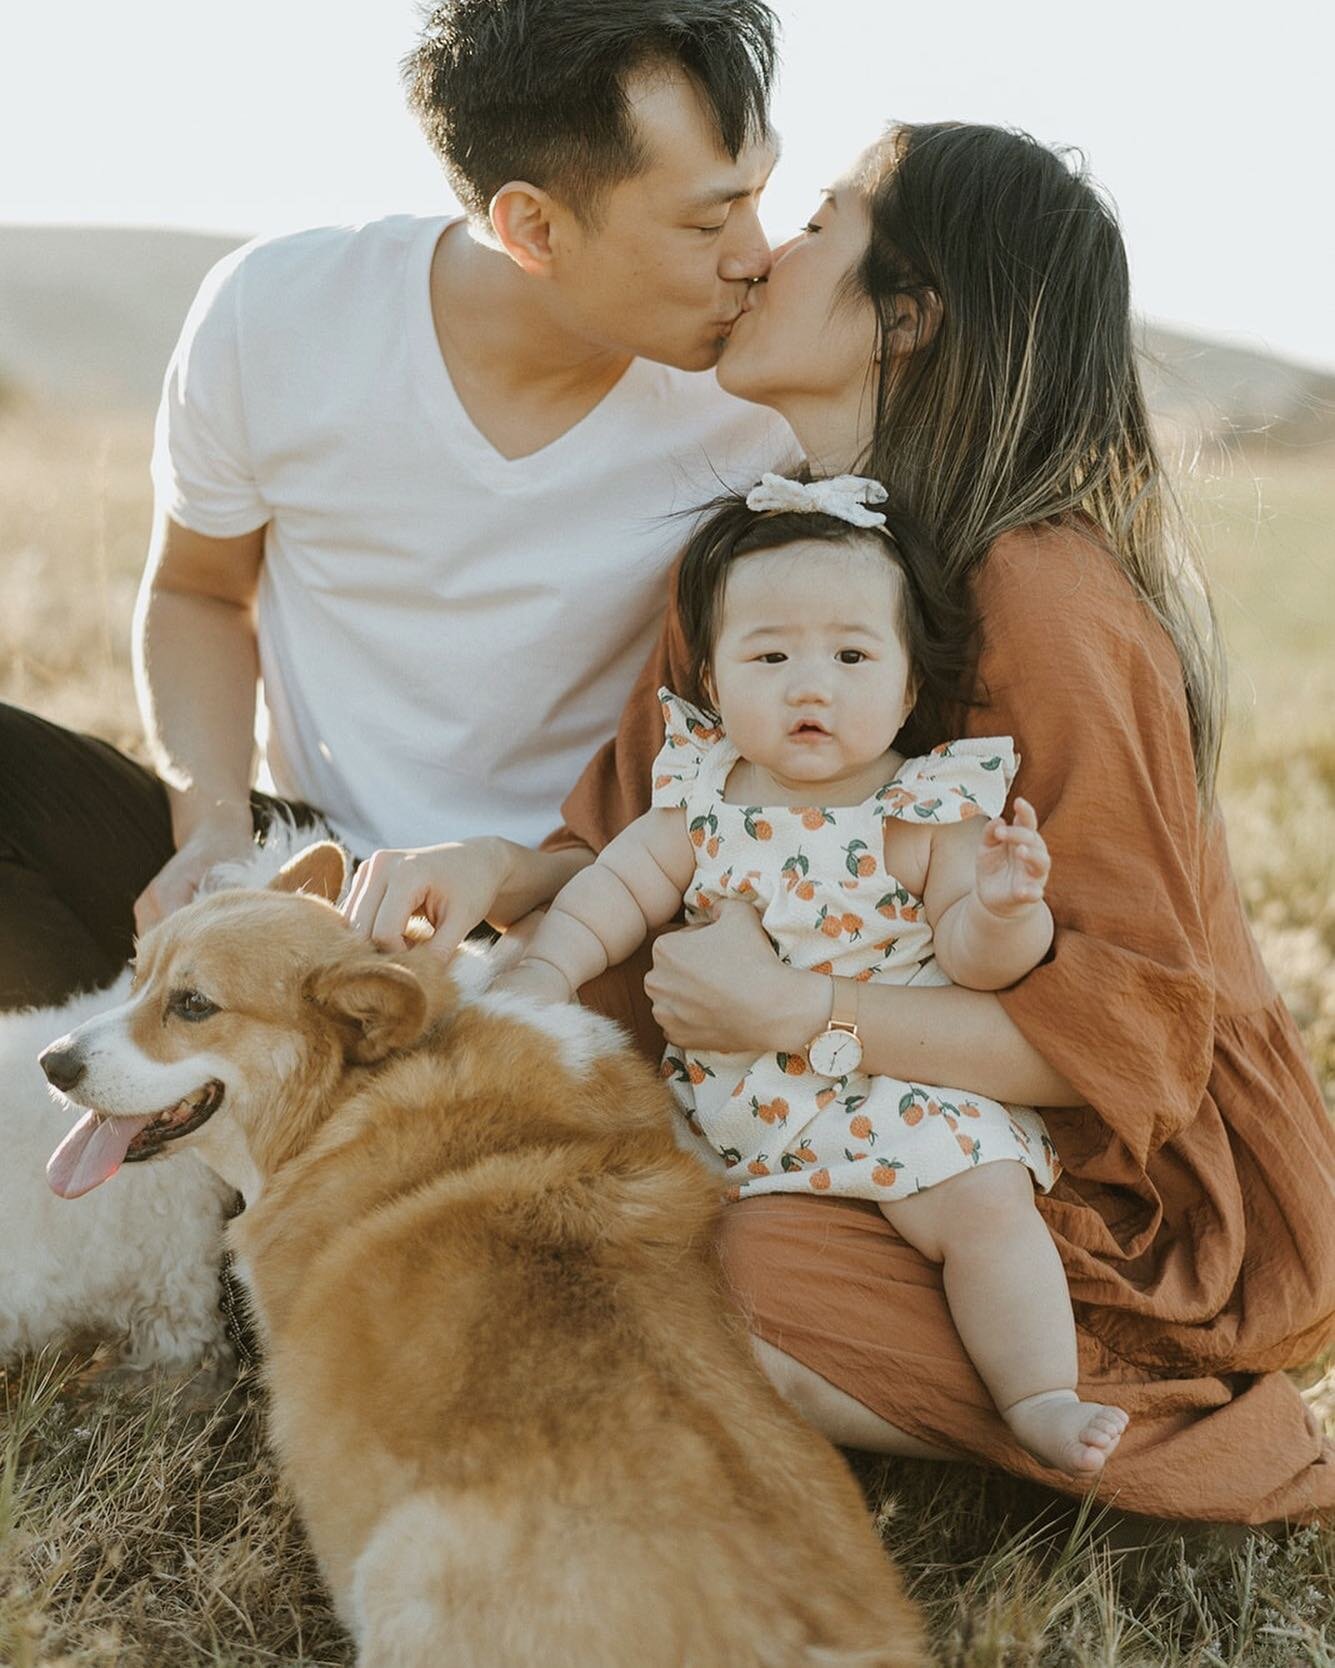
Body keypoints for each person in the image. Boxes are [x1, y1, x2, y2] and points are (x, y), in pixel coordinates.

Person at [362, 123, 1335, 1522]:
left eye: (815, 223)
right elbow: (653, 839)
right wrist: (498, 871)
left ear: (907, 312)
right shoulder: (766, 566)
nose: (760, 253)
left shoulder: (1040, 597)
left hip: (1115, 1177)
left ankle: (1192, 1428)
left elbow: (1137, 1039)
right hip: (815, 1107)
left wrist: (797, 1010)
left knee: (705, 1288)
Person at [0, 0, 791, 1011]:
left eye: (760, 195)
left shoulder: (765, 394)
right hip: (310, 861)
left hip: (573, 901)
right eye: (708, 218)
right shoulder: (274, 313)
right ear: (531, 226)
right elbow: (199, 592)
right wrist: (211, 825)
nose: (756, 252)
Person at [493, 472, 1131, 1480]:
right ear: (712, 679)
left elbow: (973, 959)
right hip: (739, 1098)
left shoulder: (925, 809)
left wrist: (1007, 908)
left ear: (909, 686)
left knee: (984, 1206)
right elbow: (608, 897)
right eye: (771, 654)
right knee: (651, 1227)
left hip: (901, 1091)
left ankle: (1038, 1393)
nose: (810, 685)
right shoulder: (702, 798)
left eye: (849, 654)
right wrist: (543, 971)